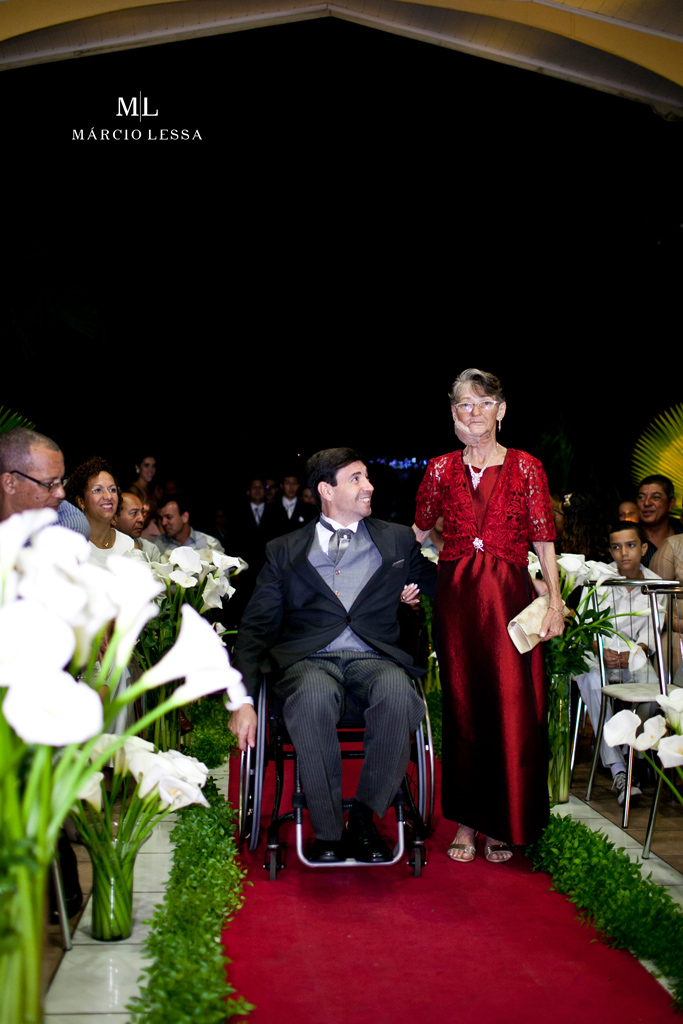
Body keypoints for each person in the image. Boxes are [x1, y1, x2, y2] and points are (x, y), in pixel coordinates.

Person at [229, 447, 436, 863]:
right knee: (312, 697)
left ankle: (363, 818)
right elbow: (256, 629)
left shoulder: (396, 539)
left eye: (367, 477)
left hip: (375, 660)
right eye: (356, 478)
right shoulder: (284, 550)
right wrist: (242, 700)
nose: (369, 486)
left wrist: (524, 583)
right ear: (326, 490)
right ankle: (327, 830)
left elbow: (447, 583)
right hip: (308, 662)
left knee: (400, 694)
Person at [414, 368, 563, 864]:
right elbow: (418, 531)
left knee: (511, 707)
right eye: (464, 404)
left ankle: (504, 821)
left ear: (501, 410)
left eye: (483, 403)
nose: (473, 412)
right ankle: (467, 819)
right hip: (457, 606)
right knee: (463, 707)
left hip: (509, 603)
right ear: (452, 413)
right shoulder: (439, 469)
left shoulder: (526, 467)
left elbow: (543, 539)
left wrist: (555, 603)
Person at [575, 522, 665, 805]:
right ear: (611, 551)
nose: (624, 553)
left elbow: (652, 630)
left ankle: (633, 752)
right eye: (616, 547)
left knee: (654, 688)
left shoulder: (655, 583)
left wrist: (636, 651)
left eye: (631, 545)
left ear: (644, 548)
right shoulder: (599, 578)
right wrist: (600, 649)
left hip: (634, 658)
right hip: (600, 656)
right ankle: (619, 769)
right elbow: (583, 624)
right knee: (592, 680)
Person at [0, 426, 89, 535]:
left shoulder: (68, 524)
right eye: (49, 484)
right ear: (9, 483)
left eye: (61, 481)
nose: (61, 493)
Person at [65, 457, 135, 567]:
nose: (108, 496)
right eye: (97, 490)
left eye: (112, 490)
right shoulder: (69, 545)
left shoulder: (128, 545)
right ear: (81, 501)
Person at [636, 475, 683, 568]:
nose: (646, 503)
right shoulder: (630, 537)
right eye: (641, 497)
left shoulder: (680, 531)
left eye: (656, 497)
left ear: (671, 503)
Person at [154, 495, 224, 552]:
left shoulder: (210, 544)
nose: (163, 523)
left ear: (185, 517)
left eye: (168, 517)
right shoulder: (156, 546)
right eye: (161, 518)